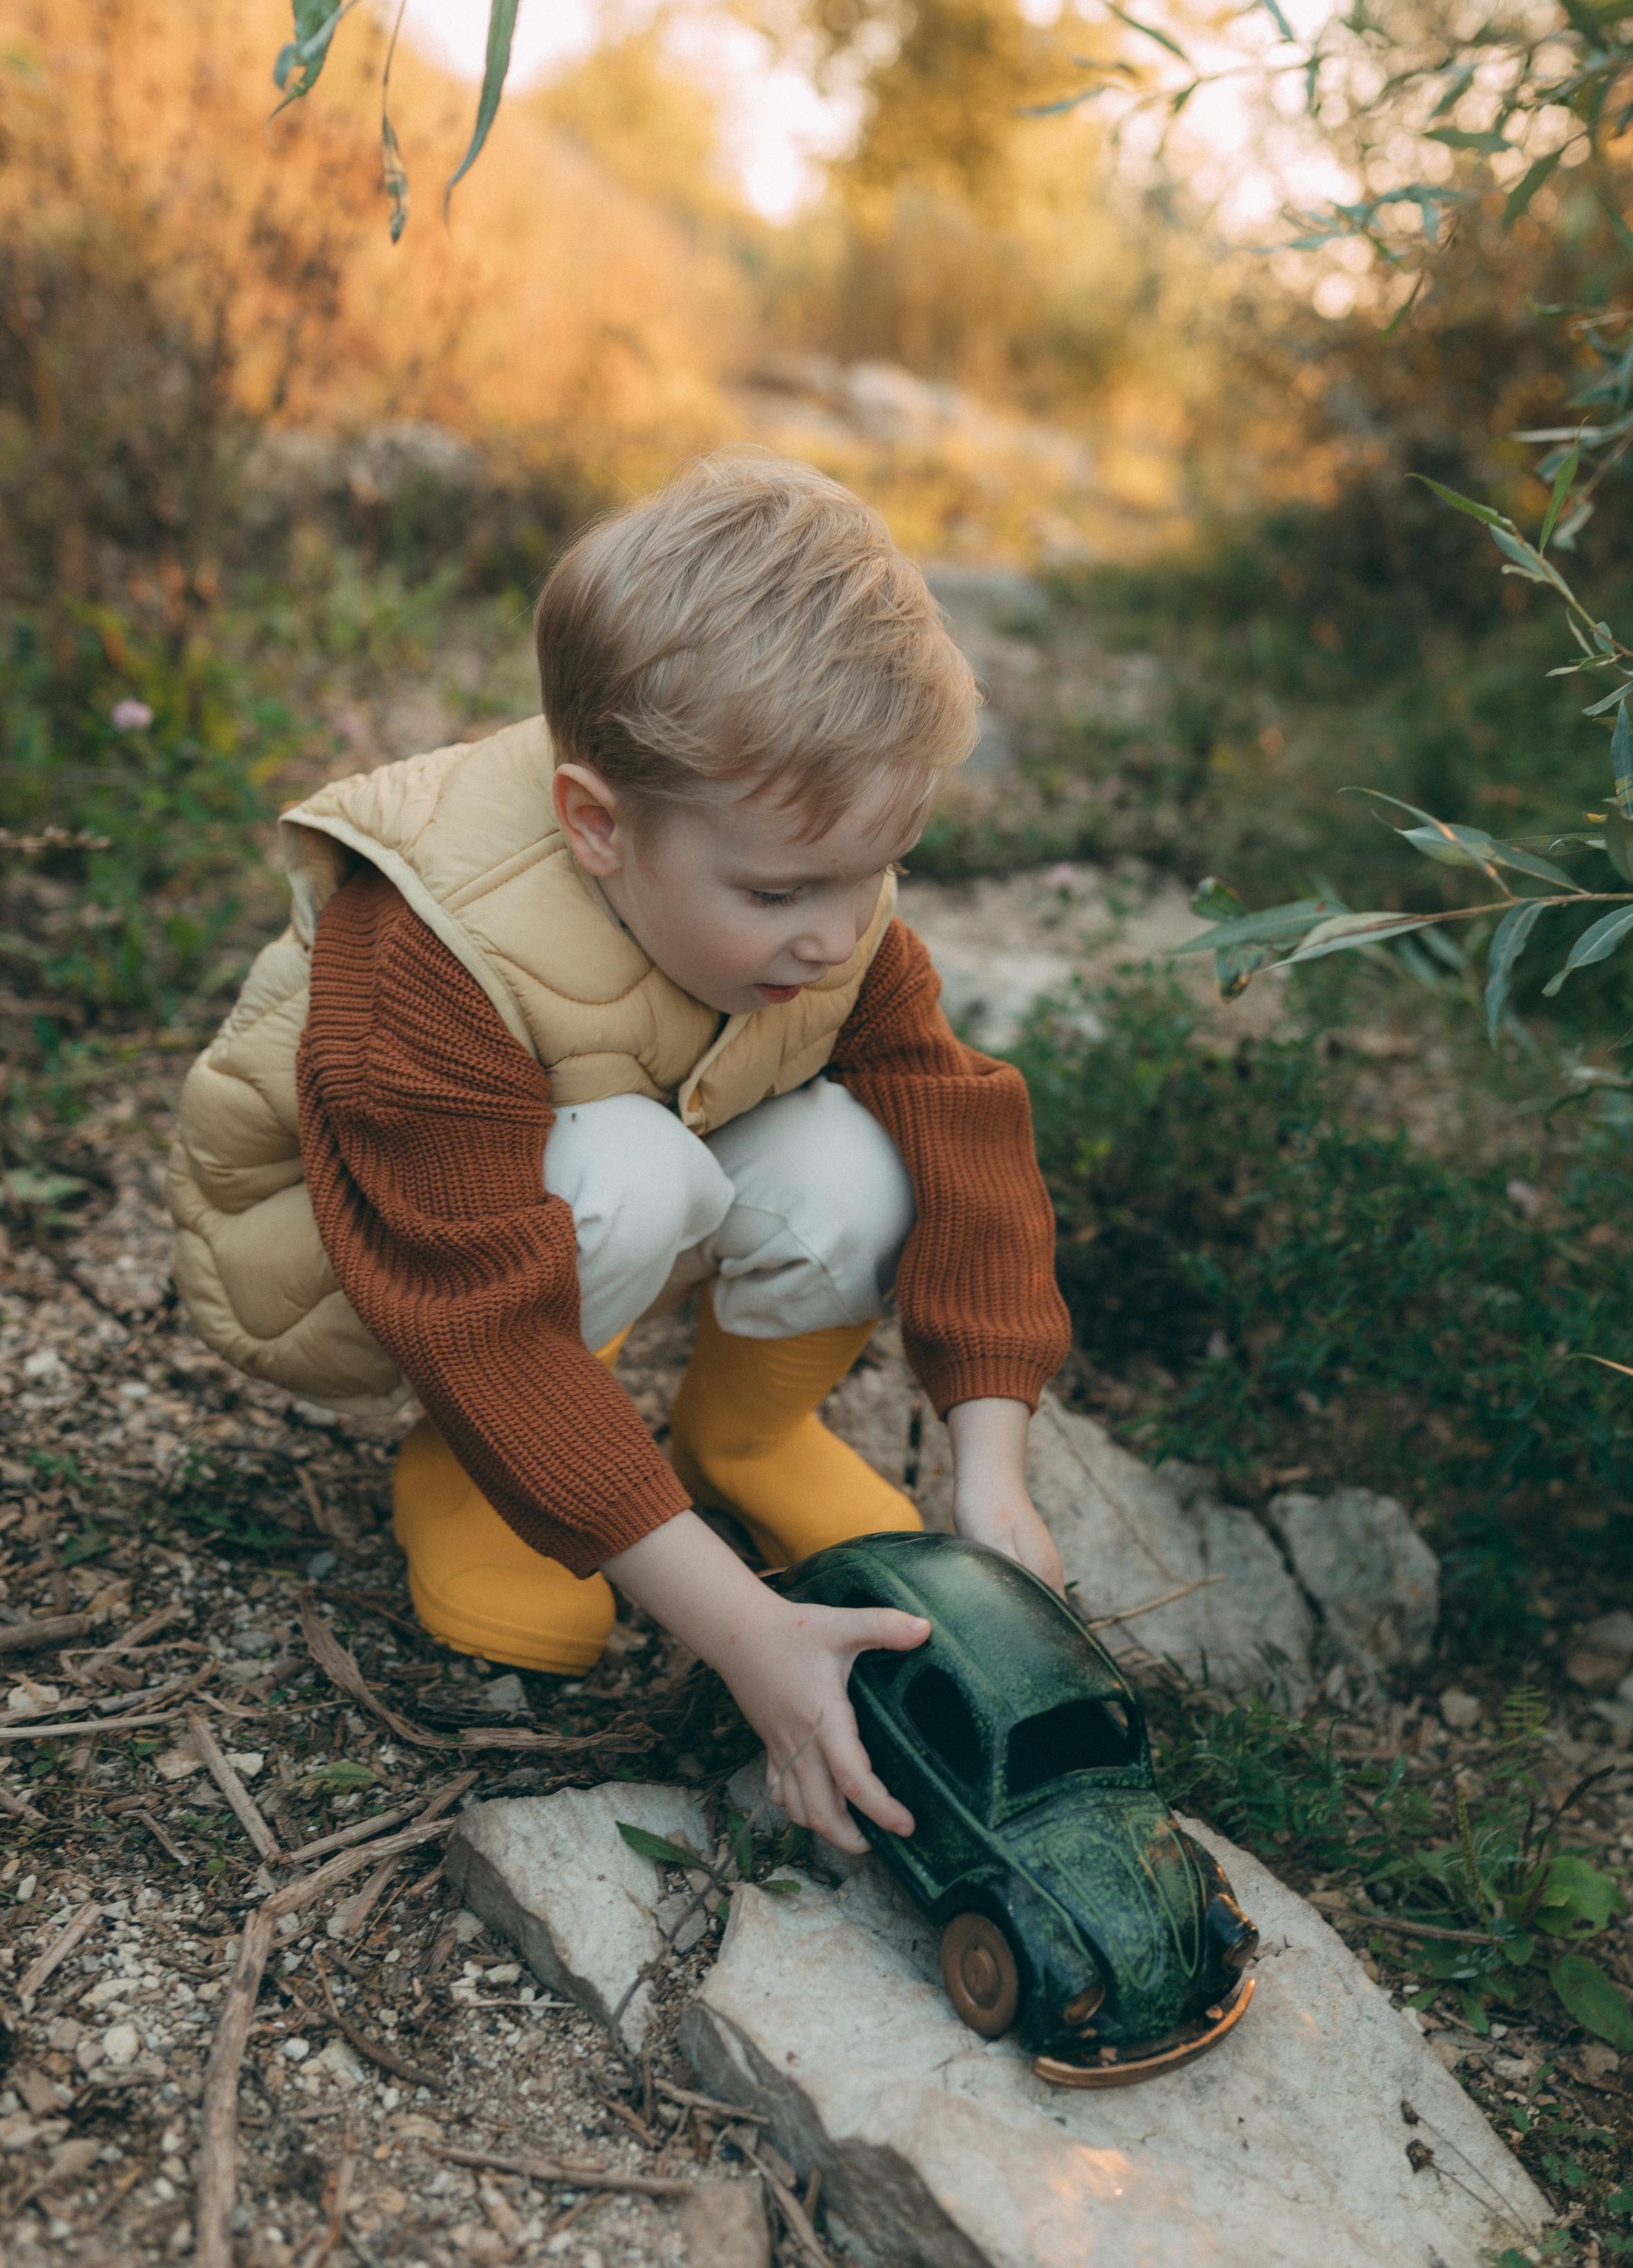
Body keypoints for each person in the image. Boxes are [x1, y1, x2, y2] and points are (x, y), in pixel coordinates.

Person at [169, 451, 1070, 1852]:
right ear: (597, 823)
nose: (835, 935)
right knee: (637, 1170)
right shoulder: (428, 949)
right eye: (779, 890)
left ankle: (744, 1434)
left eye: (870, 871)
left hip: (595, 1140)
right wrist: (741, 1635)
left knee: (866, 1155)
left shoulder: (802, 909)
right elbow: (474, 1305)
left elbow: (965, 1138)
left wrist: (989, 1466)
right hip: (360, 1250)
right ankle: (474, 1481)